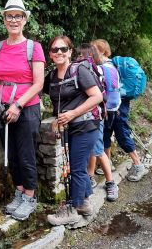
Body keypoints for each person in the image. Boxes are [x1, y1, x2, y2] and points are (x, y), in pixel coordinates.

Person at [0, 0, 45, 220]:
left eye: (18, 16)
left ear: (24, 20)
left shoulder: (34, 48)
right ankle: (20, 192)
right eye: (10, 16)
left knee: (26, 155)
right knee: (11, 154)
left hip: (26, 109)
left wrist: (18, 105)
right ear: (4, 19)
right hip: (2, 109)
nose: (14, 20)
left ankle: (30, 197)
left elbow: (39, 83)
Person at [44, 36, 103, 225]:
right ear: (50, 54)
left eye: (63, 49)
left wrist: (71, 114)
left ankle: (72, 208)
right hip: (71, 127)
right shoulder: (52, 77)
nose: (59, 52)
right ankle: (84, 203)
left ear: (70, 51)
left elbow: (97, 96)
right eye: (55, 50)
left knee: (76, 168)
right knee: (77, 166)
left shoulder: (80, 70)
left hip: (86, 125)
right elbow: (40, 90)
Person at [92, 39, 148, 182]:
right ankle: (107, 163)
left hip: (118, 106)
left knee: (121, 133)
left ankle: (138, 165)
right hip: (111, 105)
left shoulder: (108, 67)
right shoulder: (103, 66)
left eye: (94, 49)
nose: (91, 53)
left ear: (103, 51)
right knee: (105, 132)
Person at [78, 43, 119, 202]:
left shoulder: (96, 71)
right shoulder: (90, 69)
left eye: (82, 56)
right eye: (79, 56)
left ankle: (110, 182)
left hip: (95, 117)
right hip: (91, 116)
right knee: (94, 149)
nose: (79, 58)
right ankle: (90, 176)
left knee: (98, 149)